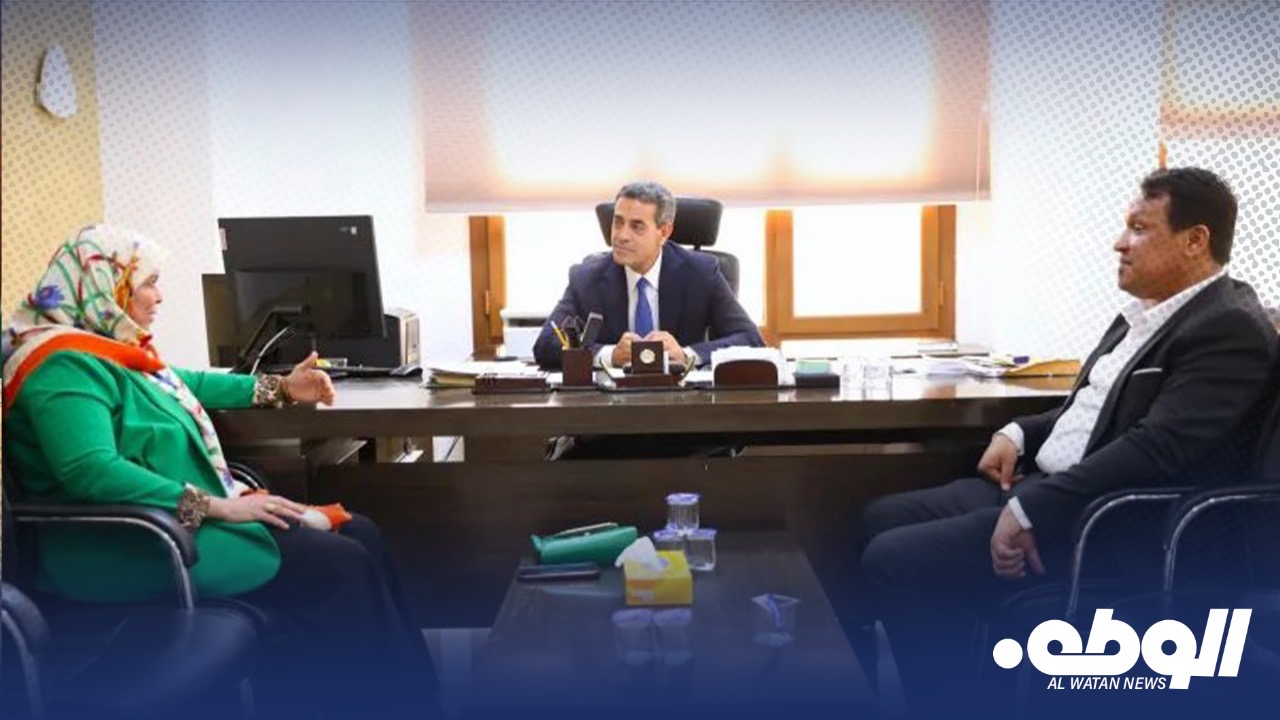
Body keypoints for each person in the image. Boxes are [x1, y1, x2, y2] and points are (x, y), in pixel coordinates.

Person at [857, 168, 1278, 711]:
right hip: (1054, 490)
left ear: (1195, 240)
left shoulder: (1227, 328)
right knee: (879, 517)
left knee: (894, 559)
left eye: (1139, 229)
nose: (1119, 243)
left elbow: (1158, 447)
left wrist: (1031, 509)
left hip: (1109, 524)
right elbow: (1094, 410)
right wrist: (1018, 431)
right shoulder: (1144, 315)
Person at [1, 225, 437, 718]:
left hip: (170, 523)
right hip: (127, 545)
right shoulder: (61, 366)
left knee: (363, 533)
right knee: (340, 566)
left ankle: (419, 703)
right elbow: (89, 471)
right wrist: (215, 506)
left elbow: (181, 381)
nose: (159, 296)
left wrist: (279, 387)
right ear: (105, 288)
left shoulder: (104, 354)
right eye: (148, 283)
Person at [533, 180, 763, 371]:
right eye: (618, 222)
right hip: (612, 404)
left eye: (637, 226)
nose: (621, 236)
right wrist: (610, 355)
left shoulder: (700, 273)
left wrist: (685, 355)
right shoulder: (587, 278)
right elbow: (545, 345)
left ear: (664, 232)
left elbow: (750, 339)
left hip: (683, 400)